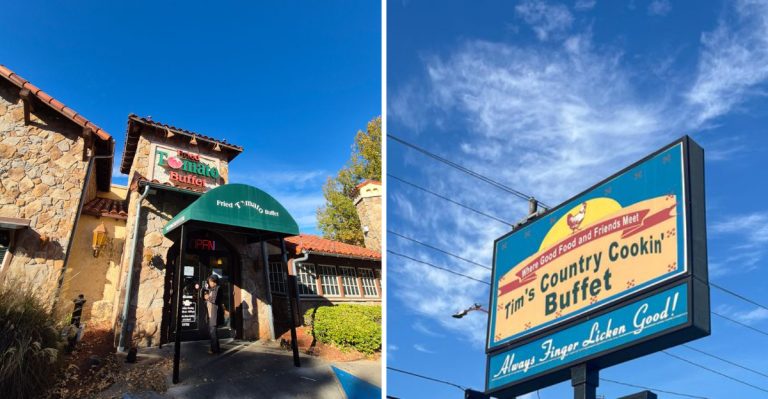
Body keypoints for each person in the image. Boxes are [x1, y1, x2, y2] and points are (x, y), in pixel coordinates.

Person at [203, 275, 221, 354]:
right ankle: (215, 348)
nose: (209, 283)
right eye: (209, 281)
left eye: (210, 281)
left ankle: (215, 350)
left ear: (214, 282)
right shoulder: (212, 289)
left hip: (214, 313)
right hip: (210, 313)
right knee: (212, 332)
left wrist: (207, 297)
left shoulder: (218, 288)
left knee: (213, 332)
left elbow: (214, 300)